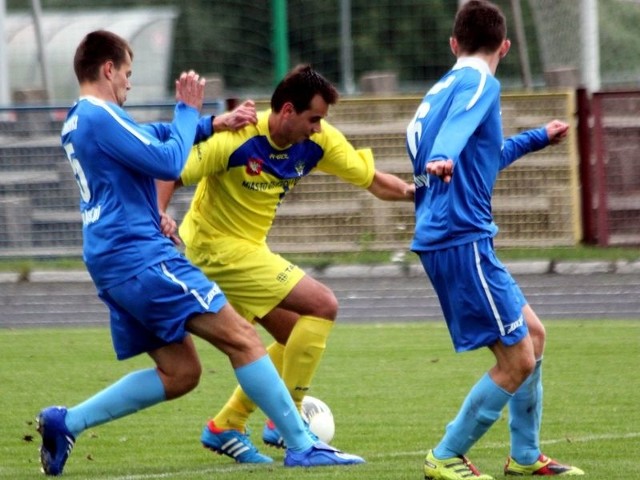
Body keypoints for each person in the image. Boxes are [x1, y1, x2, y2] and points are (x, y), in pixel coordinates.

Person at [36, 30, 364, 476]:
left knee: (180, 373)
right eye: (128, 73)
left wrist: (211, 124)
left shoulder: (79, 119)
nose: (129, 84)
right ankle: (301, 443)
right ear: (107, 69)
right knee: (242, 339)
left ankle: (66, 422)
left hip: (112, 258)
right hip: (140, 256)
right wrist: (189, 109)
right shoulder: (99, 113)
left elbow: (150, 136)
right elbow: (168, 161)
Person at [157, 64, 415, 463]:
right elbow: (170, 170)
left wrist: (418, 194)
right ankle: (291, 423)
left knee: (295, 332)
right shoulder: (238, 137)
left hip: (246, 253)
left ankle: (226, 424)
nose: (318, 128)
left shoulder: (319, 141)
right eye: (314, 119)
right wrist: (159, 214)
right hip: (214, 250)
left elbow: (375, 181)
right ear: (288, 111)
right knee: (323, 304)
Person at [405, 2, 584, 479]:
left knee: (535, 338)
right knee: (517, 359)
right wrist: (443, 155)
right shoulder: (480, 83)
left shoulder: (436, 92)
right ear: (504, 47)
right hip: (461, 237)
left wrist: (536, 138)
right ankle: (444, 455)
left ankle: (525, 458)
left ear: (453, 44)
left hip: (454, 236)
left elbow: (480, 157)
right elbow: (452, 141)